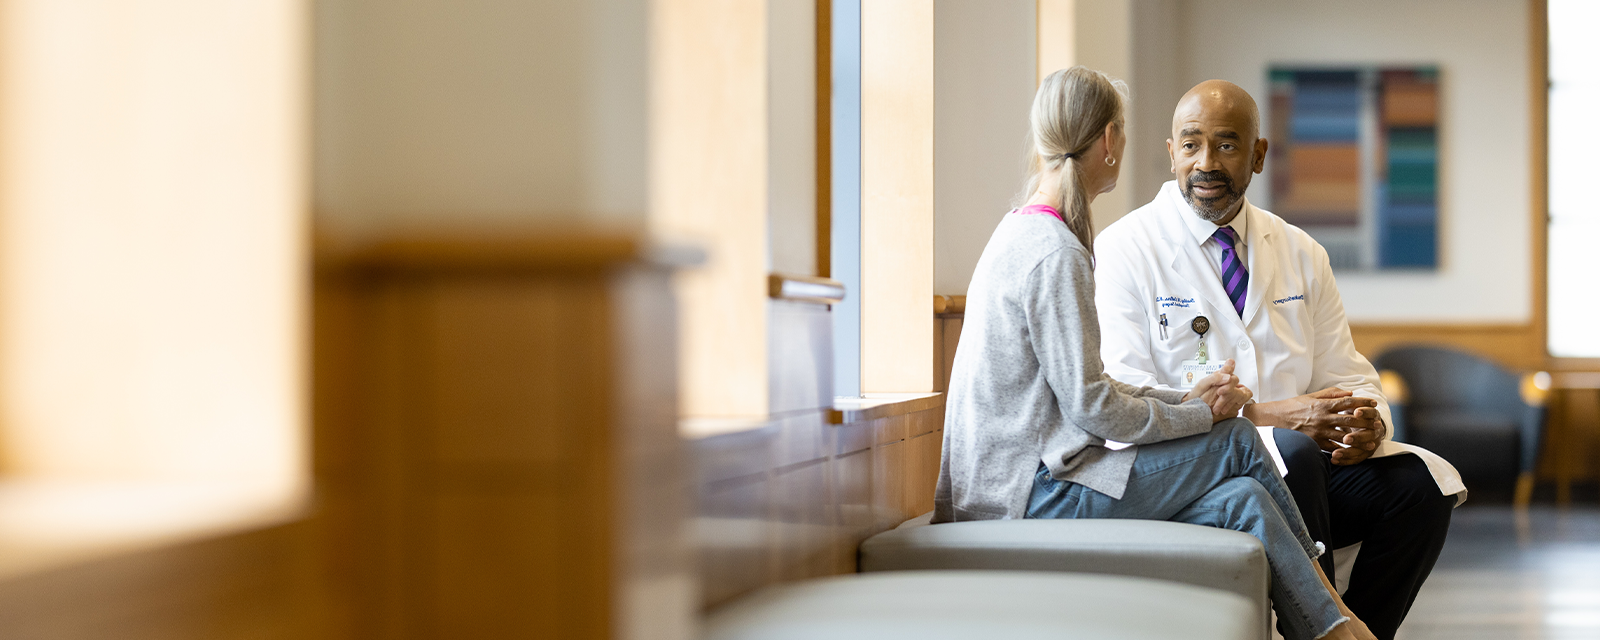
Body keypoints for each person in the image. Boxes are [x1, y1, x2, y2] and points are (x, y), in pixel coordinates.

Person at [933, 66, 1377, 640]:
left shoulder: (1024, 232)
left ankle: (1329, 627)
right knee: (1240, 440)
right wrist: (1204, 414)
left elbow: (1090, 390)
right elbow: (1094, 407)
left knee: (1245, 499)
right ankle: (1340, 623)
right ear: (1111, 142)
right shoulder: (1054, 252)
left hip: (1028, 481)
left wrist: (1184, 397)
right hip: (1028, 495)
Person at [1093, 79, 1463, 640]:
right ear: (1171, 154)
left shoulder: (1300, 252)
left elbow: (1346, 373)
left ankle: (1351, 628)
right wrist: (1277, 417)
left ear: (1259, 154)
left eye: (1227, 144)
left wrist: (1367, 422)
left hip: (1306, 471)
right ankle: (1324, 625)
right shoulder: (1125, 250)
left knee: (1422, 487)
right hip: (1202, 472)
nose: (1206, 162)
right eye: (1190, 145)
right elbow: (1126, 397)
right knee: (1295, 452)